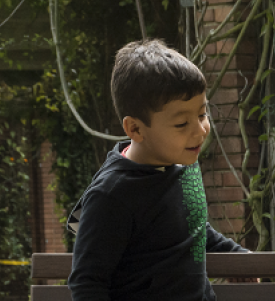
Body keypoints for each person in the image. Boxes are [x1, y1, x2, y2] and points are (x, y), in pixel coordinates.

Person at [66, 39, 249, 301]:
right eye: (182, 123)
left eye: (201, 114)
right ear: (135, 129)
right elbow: (87, 283)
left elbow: (193, 227)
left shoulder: (183, 162)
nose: (200, 131)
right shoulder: (111, 196)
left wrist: (238, 258)